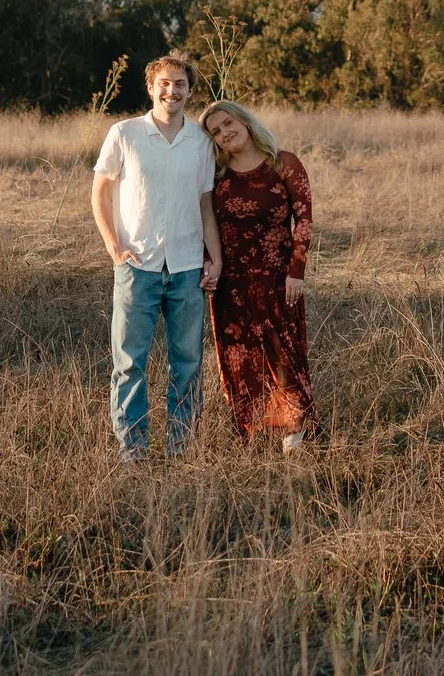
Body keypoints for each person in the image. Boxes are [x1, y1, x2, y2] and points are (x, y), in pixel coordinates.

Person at [91, 52, 221, 461]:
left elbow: (206, 204)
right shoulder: (125, 133)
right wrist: (114, 246)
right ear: (150, 88)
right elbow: (100, 193)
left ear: (190, 91)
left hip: (186, 267)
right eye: (164, 83)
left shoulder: (201, 141)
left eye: (180, 84)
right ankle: (133, 449)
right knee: (130, 362)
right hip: (137, 266)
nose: (172, 91)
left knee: (188, 362)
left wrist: (215, 258)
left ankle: (181, 447)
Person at [200, 99, 319, 452]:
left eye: (228, 123)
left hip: (278, 279)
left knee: (284, 354)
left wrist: (296, 271)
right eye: (216, 131)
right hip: (231, 284)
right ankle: (256, 433)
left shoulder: (283, 163)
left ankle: (295, 430)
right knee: (241, 358)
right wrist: (209, 264)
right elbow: (206, 225)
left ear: (245, 121)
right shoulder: (216, 175)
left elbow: (304, 219)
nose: (225, 133)